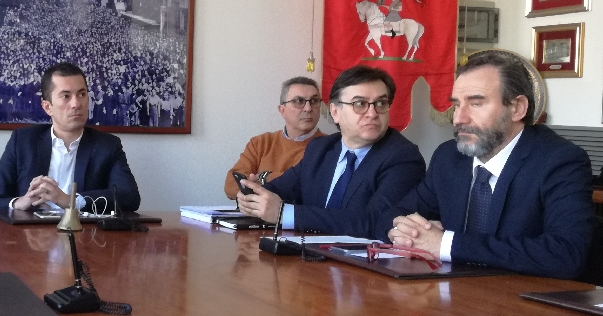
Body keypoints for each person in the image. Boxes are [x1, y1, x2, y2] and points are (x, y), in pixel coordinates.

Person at [381, 50, 593, 280]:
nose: (459, 118)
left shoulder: (559, 160)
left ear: (517, 108)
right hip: (452, 298)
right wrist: (408, 230)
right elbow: (397, 213)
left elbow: (566, 255)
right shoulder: (449, 157)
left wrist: (445, 244)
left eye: (476, 104)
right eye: (456, 104)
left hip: (520, 304)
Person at [237, 65, 426, 237]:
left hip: (359, 268)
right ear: (335, 112)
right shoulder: (321, 148)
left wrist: (284, 214)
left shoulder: (403, 157)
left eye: (381, 103)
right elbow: (278, 190)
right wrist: (251, 197)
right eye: (360, 104)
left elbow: (376, 222)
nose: (372, 113)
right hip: (307, 259)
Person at [0, 61, 140, 213]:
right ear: (47, 107)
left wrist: (71, 200)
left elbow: (129, 197)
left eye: (82, 94)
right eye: (66, 96)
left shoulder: (108, 145)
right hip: (31, 237)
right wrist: (19, 202)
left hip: (86, 237)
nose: (76, 104)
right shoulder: (22, 141)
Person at [224, 76, 325, 199]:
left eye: (314, 101)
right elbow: (231, 185)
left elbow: (310, 191)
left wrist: (263, 177)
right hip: (256, 216)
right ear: (282, 110)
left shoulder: (330, 147)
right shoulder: (260, 143)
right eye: (299, 101)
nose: (308, 108)